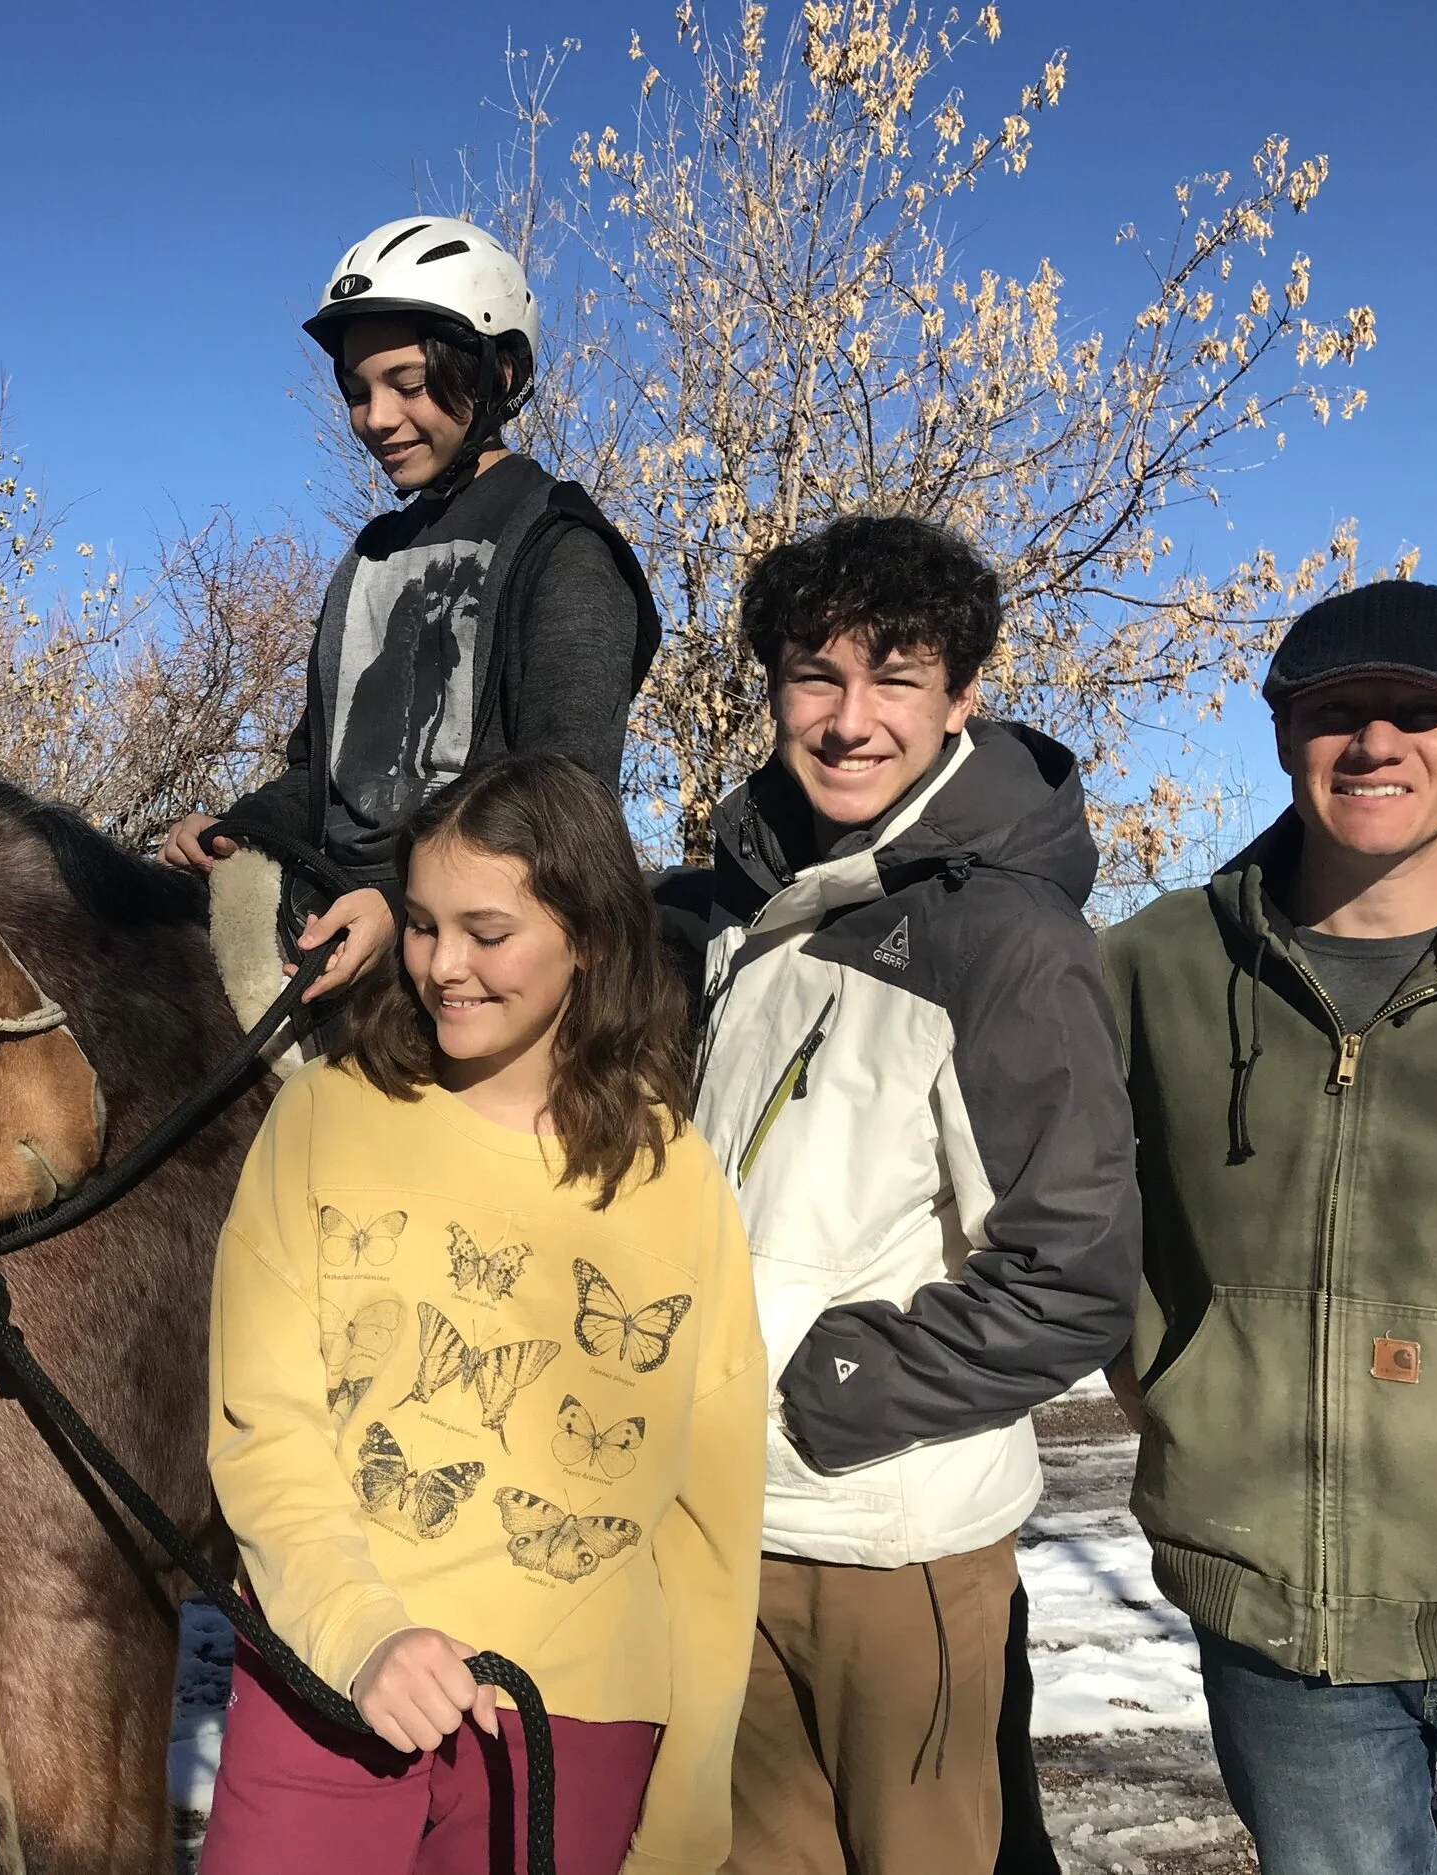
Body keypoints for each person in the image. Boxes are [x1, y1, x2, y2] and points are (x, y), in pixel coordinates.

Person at [1100, 580, 1437, 1875]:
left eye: (1419, 711)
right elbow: (1079, 1212)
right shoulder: (1157, 963)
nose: (1376, 741)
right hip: (1276, 1626)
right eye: (1338, 711)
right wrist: (1179, 1388)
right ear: (1285, 735)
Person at [661, 514, 1139, 1875]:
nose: (850, 719)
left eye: (897, 677)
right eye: (815, 675)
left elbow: (1071, 1276)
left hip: (886, 1533)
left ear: (961, 696)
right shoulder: (756, 910)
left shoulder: (1005, 936)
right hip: (732, 1525)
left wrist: (818, 1390)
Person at [199, 752, 766, 1875]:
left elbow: (710, 1517)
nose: (443, 966)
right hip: (329, 1684)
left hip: (576, 1724)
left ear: (588, 936)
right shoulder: (323, 1119)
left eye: (487, 931)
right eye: (421, 925)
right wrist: (358, 1633)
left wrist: (690, 1809)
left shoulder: (676, 1178)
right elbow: (262, 1425)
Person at [160, 216, 660, 1007]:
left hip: (467, 971)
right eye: (358, 391)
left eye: (408, 383)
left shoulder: (564, 549)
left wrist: (407, 915)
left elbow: (568, 807)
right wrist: (236, 828)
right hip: (325, 926)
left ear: (496, 374)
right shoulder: (370, 556)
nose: (377, 417)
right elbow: (317, 776)